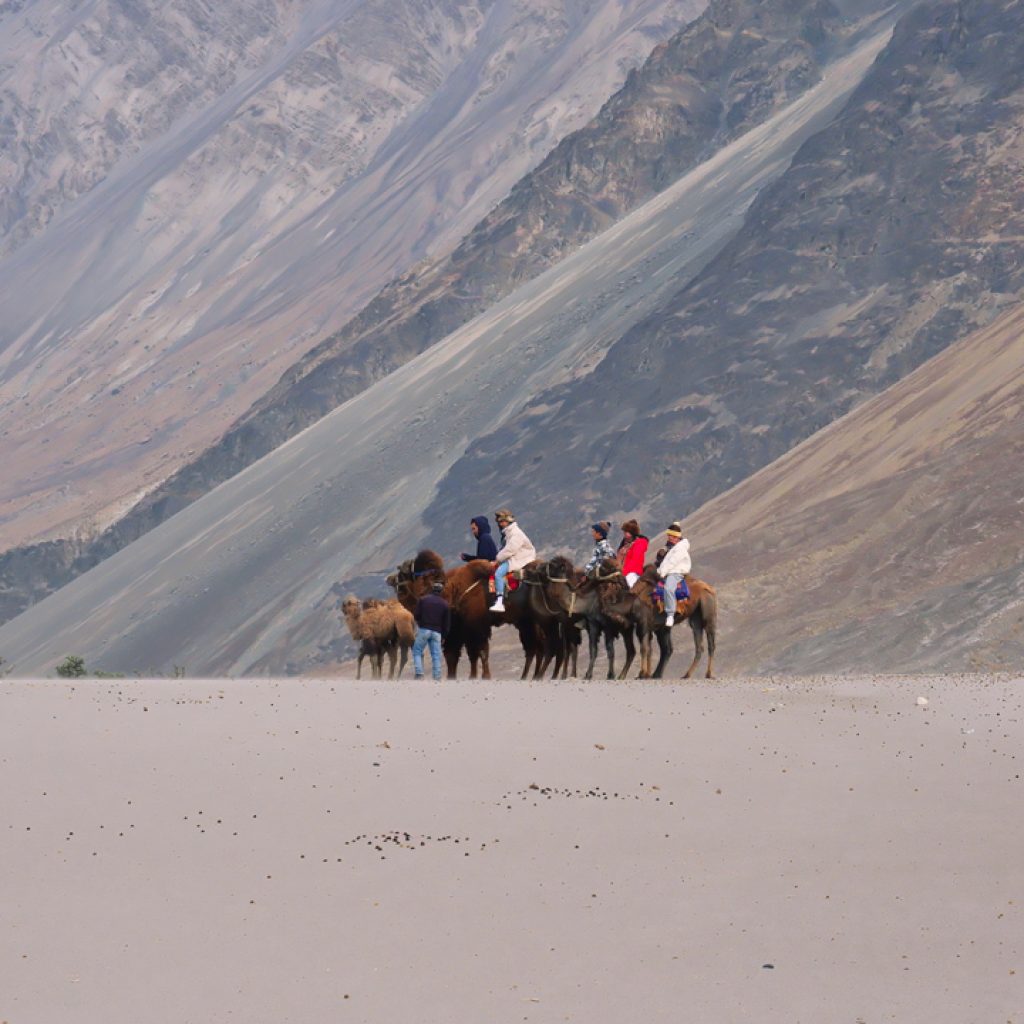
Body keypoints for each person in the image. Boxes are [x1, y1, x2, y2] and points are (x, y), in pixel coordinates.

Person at [490, 509, 537, 613]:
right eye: (499, 522)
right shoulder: (509, 533)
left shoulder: (516, 534)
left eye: (502, 521)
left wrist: (497, 559)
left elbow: (510, 550)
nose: (500, 524)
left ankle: (499, 602)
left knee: (498, 574)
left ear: (508, 521)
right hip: (515, 557)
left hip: (520, 558)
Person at [413, 581, 450, 681]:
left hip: (424, 630)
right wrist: (444, 636)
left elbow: (416, 615)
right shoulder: (445, 604)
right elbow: (446, 623)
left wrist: (420, 623)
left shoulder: (423, 600)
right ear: (441, 591)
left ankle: (419, 674)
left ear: (432, 589)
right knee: (436, 655)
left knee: (417, 651)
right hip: (437, 632)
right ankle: (437, 676)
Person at [658, 522, 691, 628]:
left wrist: (662, 572)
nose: (669, 538)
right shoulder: (673, 547)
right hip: (669, 570)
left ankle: (670, 614)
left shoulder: (680, 548)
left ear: (676, 537)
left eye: (671, 536)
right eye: (669, 536)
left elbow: (672, 562)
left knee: (668, 588)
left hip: (676, 572)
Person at [618, 519, 649, 588]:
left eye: (626, 531)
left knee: (627, 587)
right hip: (622, 571)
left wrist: (623, 572)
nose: (624, 533)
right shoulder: (624, 545)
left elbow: (635, 561)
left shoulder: (640, 543)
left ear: (632, 532)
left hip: (633, 573)